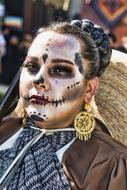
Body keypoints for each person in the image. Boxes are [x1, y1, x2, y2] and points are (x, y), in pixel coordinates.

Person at [0, 19, 127, 190]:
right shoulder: (5, 129)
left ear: (90, 88)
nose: (39, 80)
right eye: (32, 66)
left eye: (60, 69)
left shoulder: (111, 164)